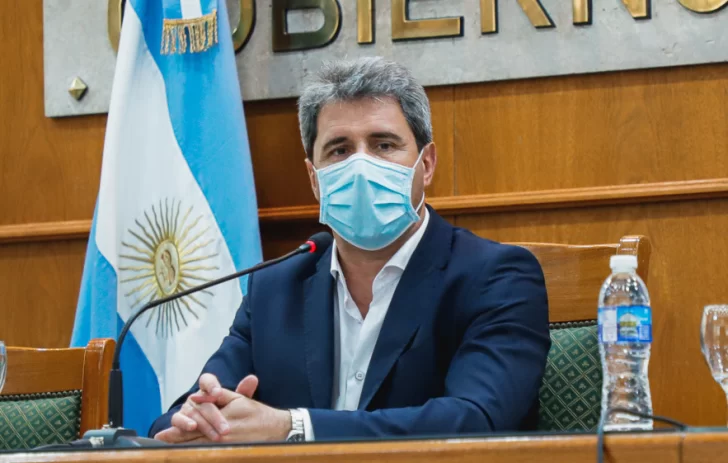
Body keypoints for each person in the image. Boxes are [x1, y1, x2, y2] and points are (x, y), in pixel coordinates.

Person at [151, 57, 550, 444]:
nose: (361, 165)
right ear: (314, 179)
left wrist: (293, 427)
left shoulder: (496, 277)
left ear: (426, 164)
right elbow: (176, 419)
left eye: (383, 145)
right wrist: (196, 422)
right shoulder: (275, 287)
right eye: (339, 150)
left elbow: (475, 421)